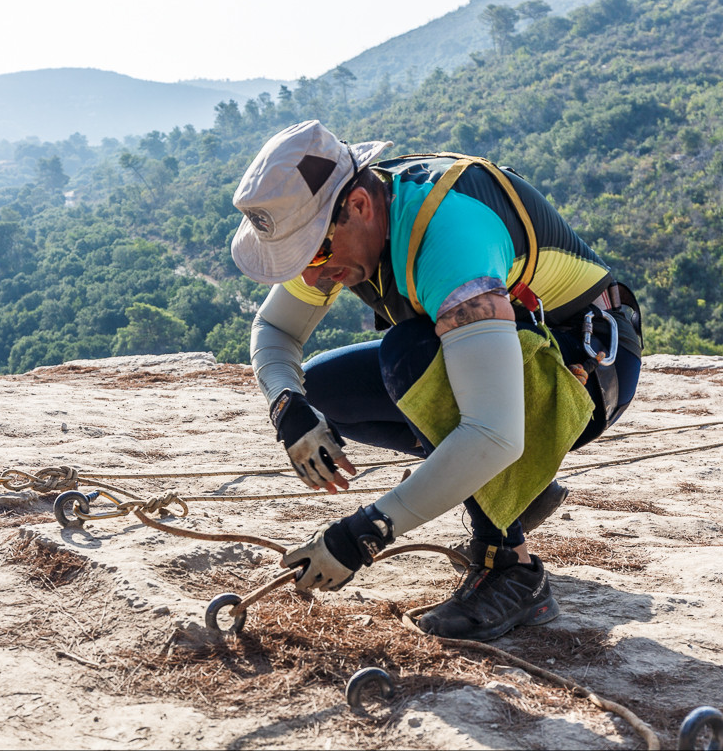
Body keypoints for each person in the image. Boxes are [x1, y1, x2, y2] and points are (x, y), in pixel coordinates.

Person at [229, 120, 643, 641]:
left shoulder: (450, 239)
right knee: (322, 391)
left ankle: (511, 569)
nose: (310, 277)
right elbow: (276, 327)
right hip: (512, 359)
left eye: (312, 252)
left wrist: (365, 533)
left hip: (590, 368)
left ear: (358, 205)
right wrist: (286, 405)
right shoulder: (351, 219)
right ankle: (513, 489)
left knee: (413, 356)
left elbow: (493, 433)